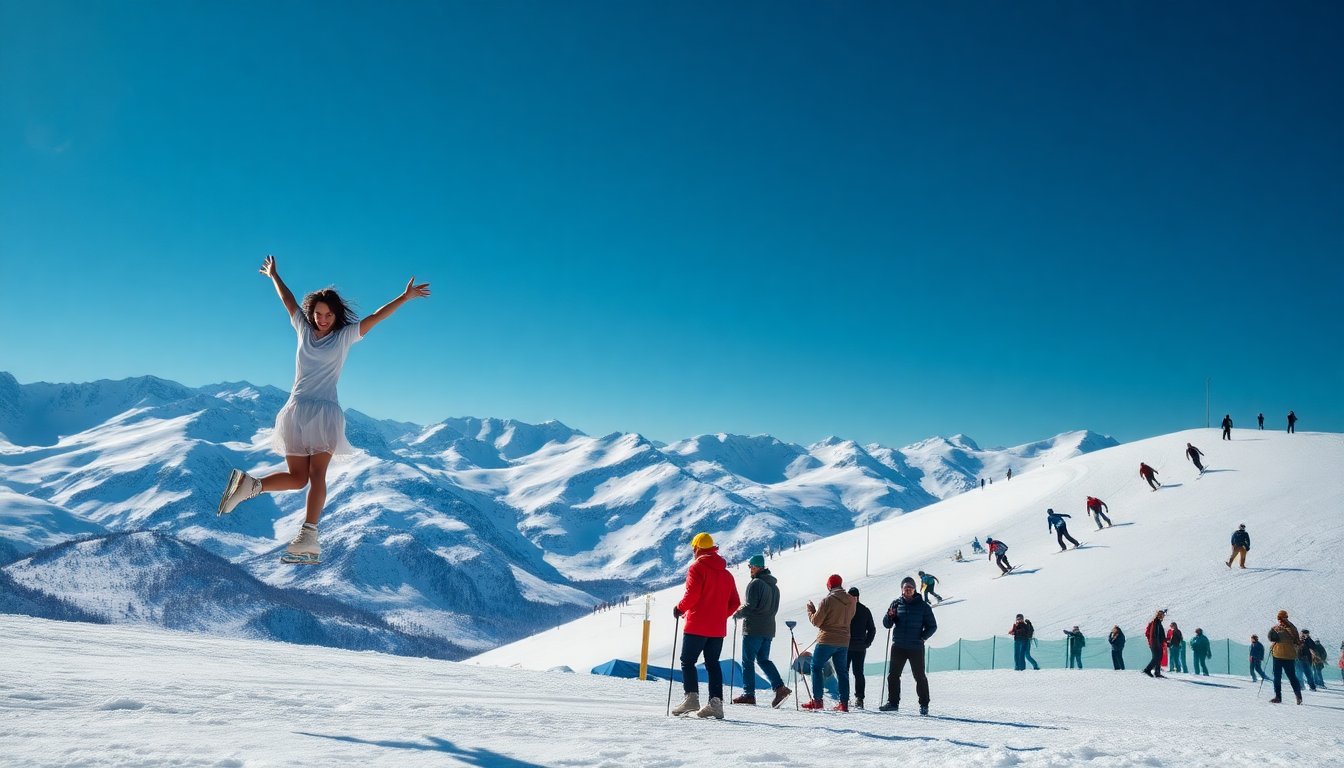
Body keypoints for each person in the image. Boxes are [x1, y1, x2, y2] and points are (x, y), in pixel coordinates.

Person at [217, 256, 431, 565]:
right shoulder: (339, 337)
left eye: (328, 314)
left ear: (336, 315)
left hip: (294, 412)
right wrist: (274, 276)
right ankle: (308, 536)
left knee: (298, 478)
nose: (323, 319)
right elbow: (366, 316)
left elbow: (371, 315)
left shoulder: (319, 333)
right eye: (319, 314)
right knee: (316, 475)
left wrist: (275, 276)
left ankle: (250, 486)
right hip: (320, 413)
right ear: (312, 313)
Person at [670, 532, 741, 719]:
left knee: (688, 661)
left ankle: (691, 699)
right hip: (717, 629)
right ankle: (715, 704)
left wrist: (679, 608)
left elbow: (692, 596)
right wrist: (718, 616)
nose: (693, 552)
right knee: (712, 664)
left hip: (697, 625)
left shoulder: (697, 568)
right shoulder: (726, 574)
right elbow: (735, 602)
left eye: (694, 548)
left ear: (698, 548)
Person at [731, 554, 791, 708]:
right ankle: (779, 687)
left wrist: (737, 614)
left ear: (758, 567)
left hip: (754, 628)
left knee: (748, 661)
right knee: (763, 659)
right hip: (769, 628)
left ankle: (749, 694)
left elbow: (750, 606)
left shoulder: (756, 583)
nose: (750, 569)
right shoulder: (774, 586)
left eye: (751, 566)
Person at [879, 577, 937, 715]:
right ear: (902, 589)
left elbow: (932, 626)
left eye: (910, 587)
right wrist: (890, 617)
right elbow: (887, 624)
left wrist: (923, 637)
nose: (908, 590)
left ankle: (924, 704)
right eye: (906, 588)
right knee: (893, 675)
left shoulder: (923, 606)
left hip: (915, 647)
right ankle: (893, 703)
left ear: (915, 589)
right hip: (898, 645)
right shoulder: (896, 604)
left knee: (919, 676)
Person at [801, 574, 856, 712]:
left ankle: (818, 701)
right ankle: (844, 704)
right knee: (842, 671)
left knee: (816, 666)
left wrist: (810, 610)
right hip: (844, 640)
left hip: (827, 639)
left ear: (829, 585)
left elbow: (816, 621)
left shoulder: (827, 600)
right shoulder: (851, 600)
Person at [846, 587, 876, 708]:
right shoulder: (846, 609)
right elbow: (872, 630)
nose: (852, 598)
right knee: (846, 672)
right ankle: (845, 697)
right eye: (850, 596)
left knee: (856, 673)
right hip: (847, 646)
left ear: (858, 597)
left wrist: (866, 643)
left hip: (856, 647)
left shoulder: (863, 610)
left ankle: (858, 698)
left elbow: (872, 630)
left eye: (854, 596)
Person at [1267, 609, 1303, 704]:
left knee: (1277, 677)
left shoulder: (1282, 628)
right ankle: (1298, 697)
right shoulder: (1292, 627)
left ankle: (1278, 697)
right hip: (1288, 656)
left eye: (1280, 618)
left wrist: (1272, 629)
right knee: (1291, 677)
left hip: (1280, 655)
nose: (1279, 620)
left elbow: (1271, 638)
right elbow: (1296, 641)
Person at [1142, 610, 1167, 678]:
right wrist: (1155, 642)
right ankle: (1147, 670)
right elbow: (1153, 634)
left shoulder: (1158, 622)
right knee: (1156, 657)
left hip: (1157, 642)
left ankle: (1157, 672)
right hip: (1155, 643)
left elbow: (1160, 634)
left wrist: (1164, 641)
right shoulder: (1155, 622)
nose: (1163, 616)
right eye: (1162, 615)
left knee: (1159, 657)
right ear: (1159, 615)